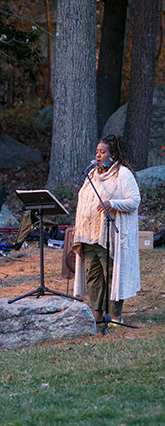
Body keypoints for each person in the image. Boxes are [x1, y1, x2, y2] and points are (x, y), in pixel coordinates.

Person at [73, 134, 140, 324]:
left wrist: (113, 203)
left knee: (110, 275)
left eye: (103, 152)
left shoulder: (123, 174)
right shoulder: (92, 175)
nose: (99, 155)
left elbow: (134, 201)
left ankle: (115, 315)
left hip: (108, 236)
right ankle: (97, 314)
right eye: (97, 152)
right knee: (93, 276)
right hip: (89, 235)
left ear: (113, 154)